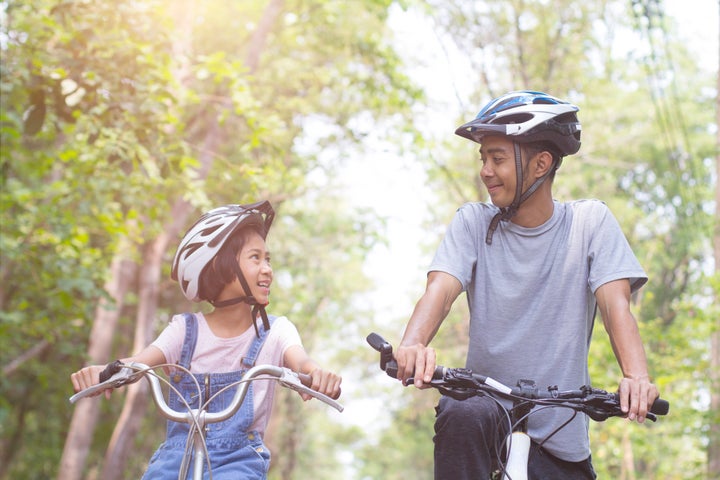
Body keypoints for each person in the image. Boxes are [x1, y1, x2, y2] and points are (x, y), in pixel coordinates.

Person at [394, 91, 659, 479]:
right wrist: (413, 345)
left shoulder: (589, 225)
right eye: (483, 158)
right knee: (461, 409)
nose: (485, 170)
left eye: (497, 158)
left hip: (561, 435)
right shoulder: (472, 223)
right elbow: (441, 289)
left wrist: (636, 378)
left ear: (541, 164)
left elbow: (616, 306)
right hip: (483, 427)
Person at [71, 200, 342, 479]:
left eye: (268, 259)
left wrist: (317, 375)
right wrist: (105, 371)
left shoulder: (276, 332)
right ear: (222, 266)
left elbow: (302, 362)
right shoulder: (184, 330)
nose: (267, 269)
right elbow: (139, 363)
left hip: (239, 460)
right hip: (176, 457)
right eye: (255, 258)